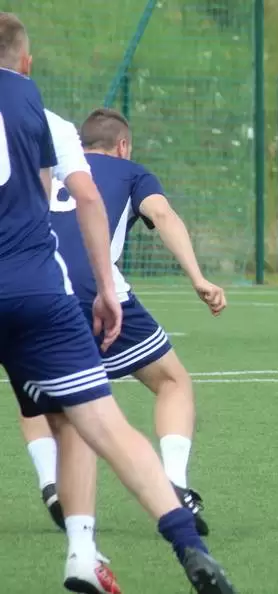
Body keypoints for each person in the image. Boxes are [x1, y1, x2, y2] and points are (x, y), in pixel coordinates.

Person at [0, 12, 237, 594]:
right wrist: (109, 288)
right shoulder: (45, 117)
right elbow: (86, 199)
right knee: (96, 416)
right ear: (27, 63)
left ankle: (67, 516)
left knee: (50, 408)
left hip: (35, 288)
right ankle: (174, 542)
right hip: (37, 288)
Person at [22, 107, 225, 540]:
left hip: (36, 287)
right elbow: (163, 215)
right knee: (172, 381)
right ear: (123, 145)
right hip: (95, 292)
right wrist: (198, 277)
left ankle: (52, 485)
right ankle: (175, 485)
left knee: (38, 390)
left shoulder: (52, 166)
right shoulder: (132, 173)